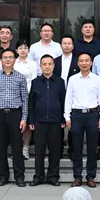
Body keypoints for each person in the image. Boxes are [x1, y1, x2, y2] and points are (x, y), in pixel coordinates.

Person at [0, 48, 29, 186]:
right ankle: (3, 176)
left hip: (15, 114)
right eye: (5, 57)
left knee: (17, 147)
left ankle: (19, 176)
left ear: (15, 60)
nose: (8, 60)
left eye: (11, 57)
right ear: (1, 60)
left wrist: (24, 118)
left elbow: (25, 99)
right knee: (1, 147)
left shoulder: (21, 77)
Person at [65, 52, 100, 188]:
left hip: (92, 115)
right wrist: (67, 116)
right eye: (81, 61)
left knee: (92, 148)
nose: (84, 63)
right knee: (77, 148)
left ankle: (90, 176)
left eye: (87, 60)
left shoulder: (97, 79)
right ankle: (77, 177)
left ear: (91, 63)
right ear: (78, 63)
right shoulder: (73, 79)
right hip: (76, 115)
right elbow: (68, 98)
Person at [28, 55, 65, 187]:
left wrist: (63, 118)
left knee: (55, 151)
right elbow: (31, 103)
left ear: (54, 66)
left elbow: (63, 101)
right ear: (40, 66)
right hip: (39, 121)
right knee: (39, 151)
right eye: (44, 64)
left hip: (55, 121)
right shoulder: (35, 82)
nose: (47, 66)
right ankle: (38, 176)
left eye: (50, 64)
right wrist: (31, 120)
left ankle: (53, 177)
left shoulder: (60, 82)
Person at [13, 40, 40, 159]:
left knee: (28, 123)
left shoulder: (33, 63)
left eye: (25, 48)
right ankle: (17, 149)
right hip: (15, 95)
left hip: (29, 95)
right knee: (16, 123)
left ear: (28, 50)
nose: (23, 50)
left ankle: (25, 148)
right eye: (20, 48)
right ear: (16, 50)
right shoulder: (13, 62)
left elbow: (34, 79)